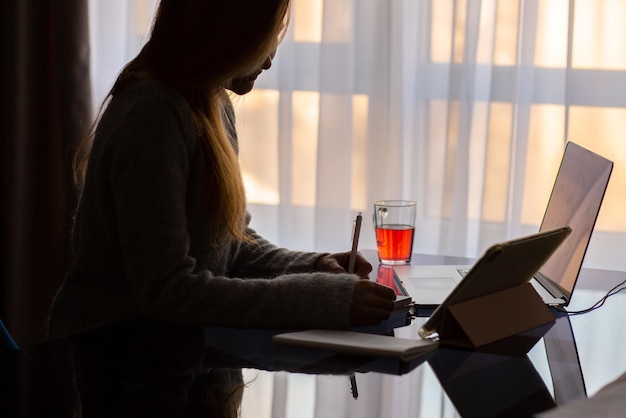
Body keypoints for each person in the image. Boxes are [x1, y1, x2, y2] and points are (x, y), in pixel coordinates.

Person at [47, 0, 396, 340]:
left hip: (175, 361)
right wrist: (324, 298)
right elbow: (167, 292)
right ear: (227, 31)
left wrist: (314, 265)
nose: (270, 60)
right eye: (263, 38)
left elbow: (232, 248)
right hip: (111, 365)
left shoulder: (212, 105)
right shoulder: (152, 116)